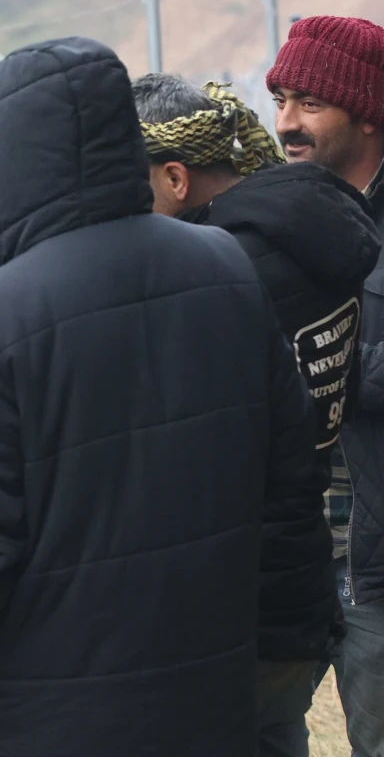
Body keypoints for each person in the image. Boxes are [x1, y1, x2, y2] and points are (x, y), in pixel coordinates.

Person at [0, 36, 323, 757]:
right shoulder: (223, 266)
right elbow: (290, 474)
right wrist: (285, 635)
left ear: (0, 162)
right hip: (205, 689)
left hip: (39, 708)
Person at [134, 72, 381, 757]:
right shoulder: (300, 231)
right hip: (296, 568)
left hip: (241, 584)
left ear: (176, 178)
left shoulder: (219, 269)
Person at [268, 16, 384, 757]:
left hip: (374, 565)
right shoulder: (273, 215)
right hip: (292, 551)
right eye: (280, 100)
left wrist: (315, 367)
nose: (286, 123)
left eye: (309, 102)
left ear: (367, 112)